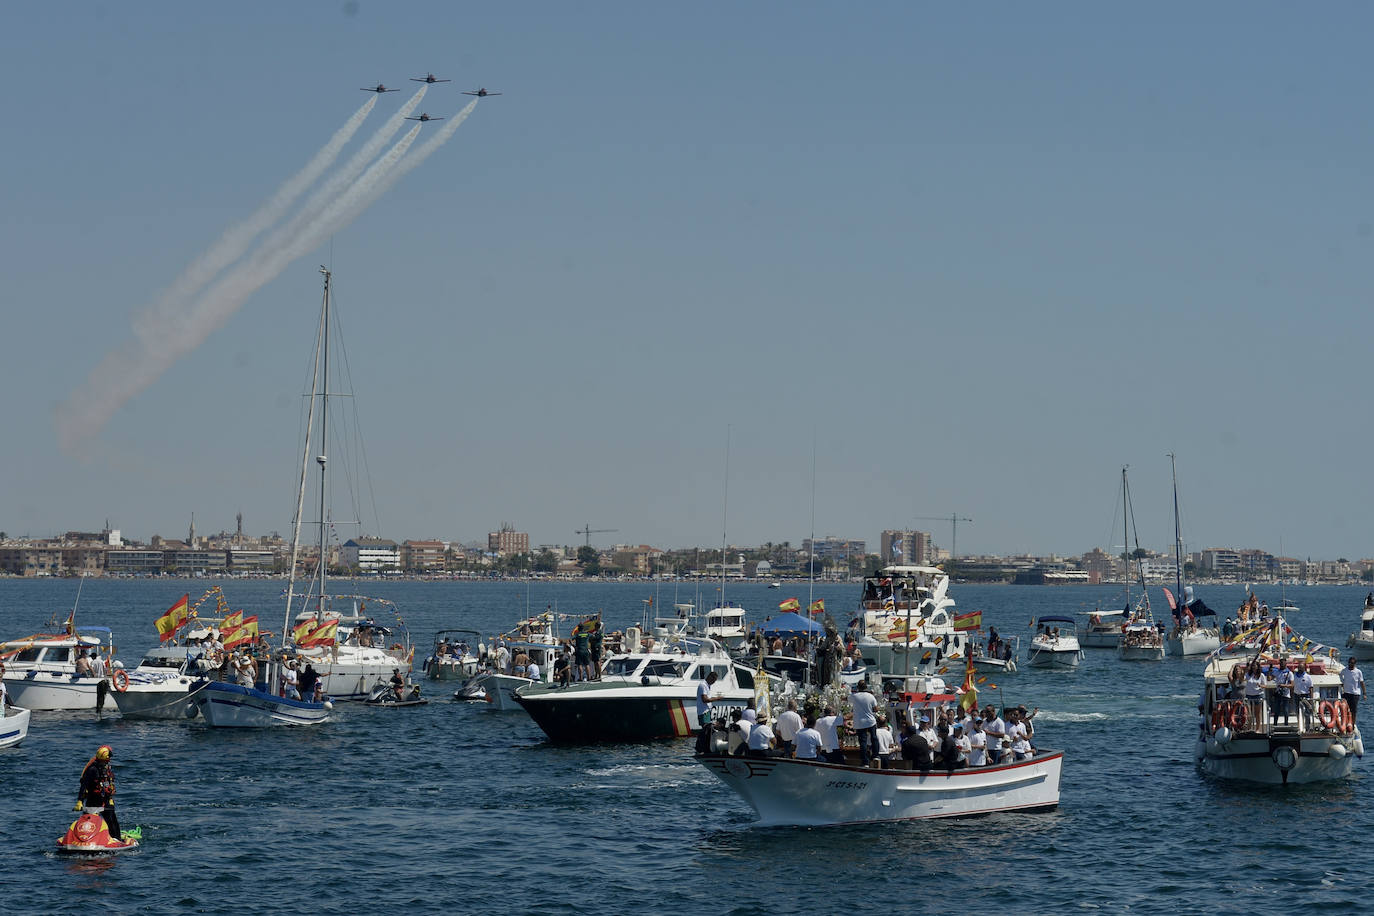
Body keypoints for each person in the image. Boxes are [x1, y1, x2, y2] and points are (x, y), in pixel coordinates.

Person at [76, 745, 122, 839]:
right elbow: (83, 786)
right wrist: (80, 801)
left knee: (112, 821)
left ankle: (116, 839)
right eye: (108, 758)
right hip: (93, 800)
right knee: (87, 822)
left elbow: (108, 784)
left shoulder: (106, 768)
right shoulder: (92, 770)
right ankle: (84, 839)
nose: (109, 760)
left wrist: (110, 799)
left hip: (105, 800)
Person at [849, 680, 879, 766]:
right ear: (866, 687)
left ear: (858, 687)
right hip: (870, 721)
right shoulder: (871, 696)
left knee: (863, 742)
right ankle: (875, 755)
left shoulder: (854, 696)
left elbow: (845, 698)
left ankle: (865, 762)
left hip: (860, 723)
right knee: (874, 738)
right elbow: (876, 709)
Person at [694, 671, 721, 756]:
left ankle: (704, 747)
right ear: (710, 678)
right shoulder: (703, 685)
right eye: (714, 680)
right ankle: (701, 747)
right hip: (703, 711)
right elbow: (704, 699)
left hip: (706, 711)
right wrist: (716, 698)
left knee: (707, 729)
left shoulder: (707, 686)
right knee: (706, 729)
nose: (714, 683)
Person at [1272, 659, 1294, 724]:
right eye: (1281, 663)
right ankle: (1275, 724)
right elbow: (1269, 678)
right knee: (1276, 710)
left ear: (1286, 664)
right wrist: (1270, 671)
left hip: (1286, 694)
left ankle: (1286, 724)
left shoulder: (1289, 673)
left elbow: (1292, 685)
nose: (1282, 664)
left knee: (1285, 710)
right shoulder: (1277, 672)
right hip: (1278, 693)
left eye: (1283, 663)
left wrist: (1284, 685)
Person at [1293, 662, 1314, 726]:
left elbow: (1311, 688)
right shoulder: (1294, 676)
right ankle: (1299, 725)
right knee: (1297, 711)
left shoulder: (1308, 677)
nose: (1300, 669)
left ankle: (1307, 727)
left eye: (1301, 668)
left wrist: (1311, 699)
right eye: (1299, 667)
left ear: (1304, 668)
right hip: (1296, 695)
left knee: (1307, 712)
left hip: (1305, 696)